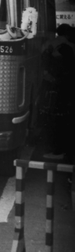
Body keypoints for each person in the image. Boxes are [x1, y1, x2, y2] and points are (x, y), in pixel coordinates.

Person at [43, 24, 75, 160]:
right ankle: (63, 151)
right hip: (67, 87)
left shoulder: (51, 45)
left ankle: (59, 151)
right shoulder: (70, 46)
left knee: (57, 119)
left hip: (55, 86)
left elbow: (46, 62)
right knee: (65, 118)